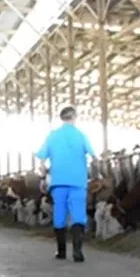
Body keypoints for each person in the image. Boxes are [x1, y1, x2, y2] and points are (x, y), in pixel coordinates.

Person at [36, 105, 97, 262]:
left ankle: (61, 251)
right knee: (78, 215)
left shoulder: (52, 136)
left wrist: (43, 176)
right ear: (74, 117)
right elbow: (93, 156)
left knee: (59, 214)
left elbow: (42, 158)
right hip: (78, 181)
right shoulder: (81, 135)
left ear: (61, 118)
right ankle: (78, 252)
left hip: (58, 181)